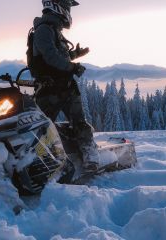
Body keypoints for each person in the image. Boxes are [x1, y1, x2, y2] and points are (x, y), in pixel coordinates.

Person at [30, 0, 99, 172]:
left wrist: (74, 55)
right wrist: (73, 67)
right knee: (44, 127)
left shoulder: (52, 29)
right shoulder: (44, 29)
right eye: (67, 8)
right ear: (58, 7)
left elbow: (58, 55)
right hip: (51, 88)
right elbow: (50, 56)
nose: (69, 12)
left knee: (77, 122)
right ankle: (42, 161)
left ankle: (89, 155)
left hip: (63, 86)